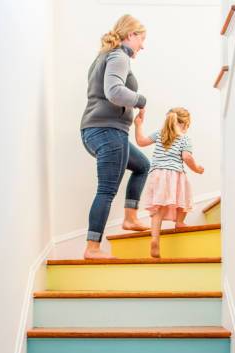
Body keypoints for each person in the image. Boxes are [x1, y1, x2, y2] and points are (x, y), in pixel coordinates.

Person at [80, 15, 150, 259]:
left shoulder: (104, 56)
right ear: (131, 35)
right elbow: (114, 92)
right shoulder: (119, 56)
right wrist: (141, 100)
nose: (143, 45)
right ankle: (92, 248)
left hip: (96, 130)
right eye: (142, 39)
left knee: (142, 165)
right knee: (107, 189)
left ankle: (130, 218)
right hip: (108, 130)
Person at [134, 107, 204, 258]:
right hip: (174, 173)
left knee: (157, 209)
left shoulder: (160, 134)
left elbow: (141, 141)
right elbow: (187, 157)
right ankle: (179, 222)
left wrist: (138, 125)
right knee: (183, 198)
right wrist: (197, 168)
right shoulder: (185, 139)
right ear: (185, 124)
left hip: (157, 174)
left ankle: (154, 239)